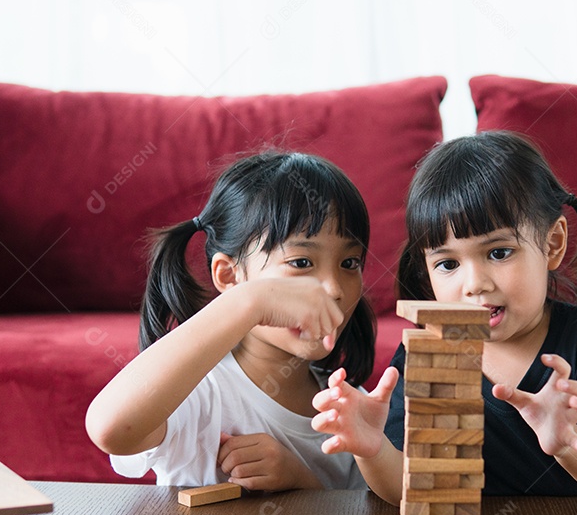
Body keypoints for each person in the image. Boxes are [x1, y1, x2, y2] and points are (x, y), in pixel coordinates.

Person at [312, 131, 577, 504]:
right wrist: (371, 450)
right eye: (448, 264)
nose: (474, 284)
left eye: (499, 252)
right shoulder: (430, 349)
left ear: (552, 244)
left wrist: (568, 442)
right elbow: (405, 490)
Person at [86, 150, 397, 491]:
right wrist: (251, 300)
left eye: (350, 263)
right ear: (229, 276)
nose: (334, 289)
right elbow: (111, 429)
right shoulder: (199, 390)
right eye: (302, 262)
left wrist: (300, 481)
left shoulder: (349, 406)